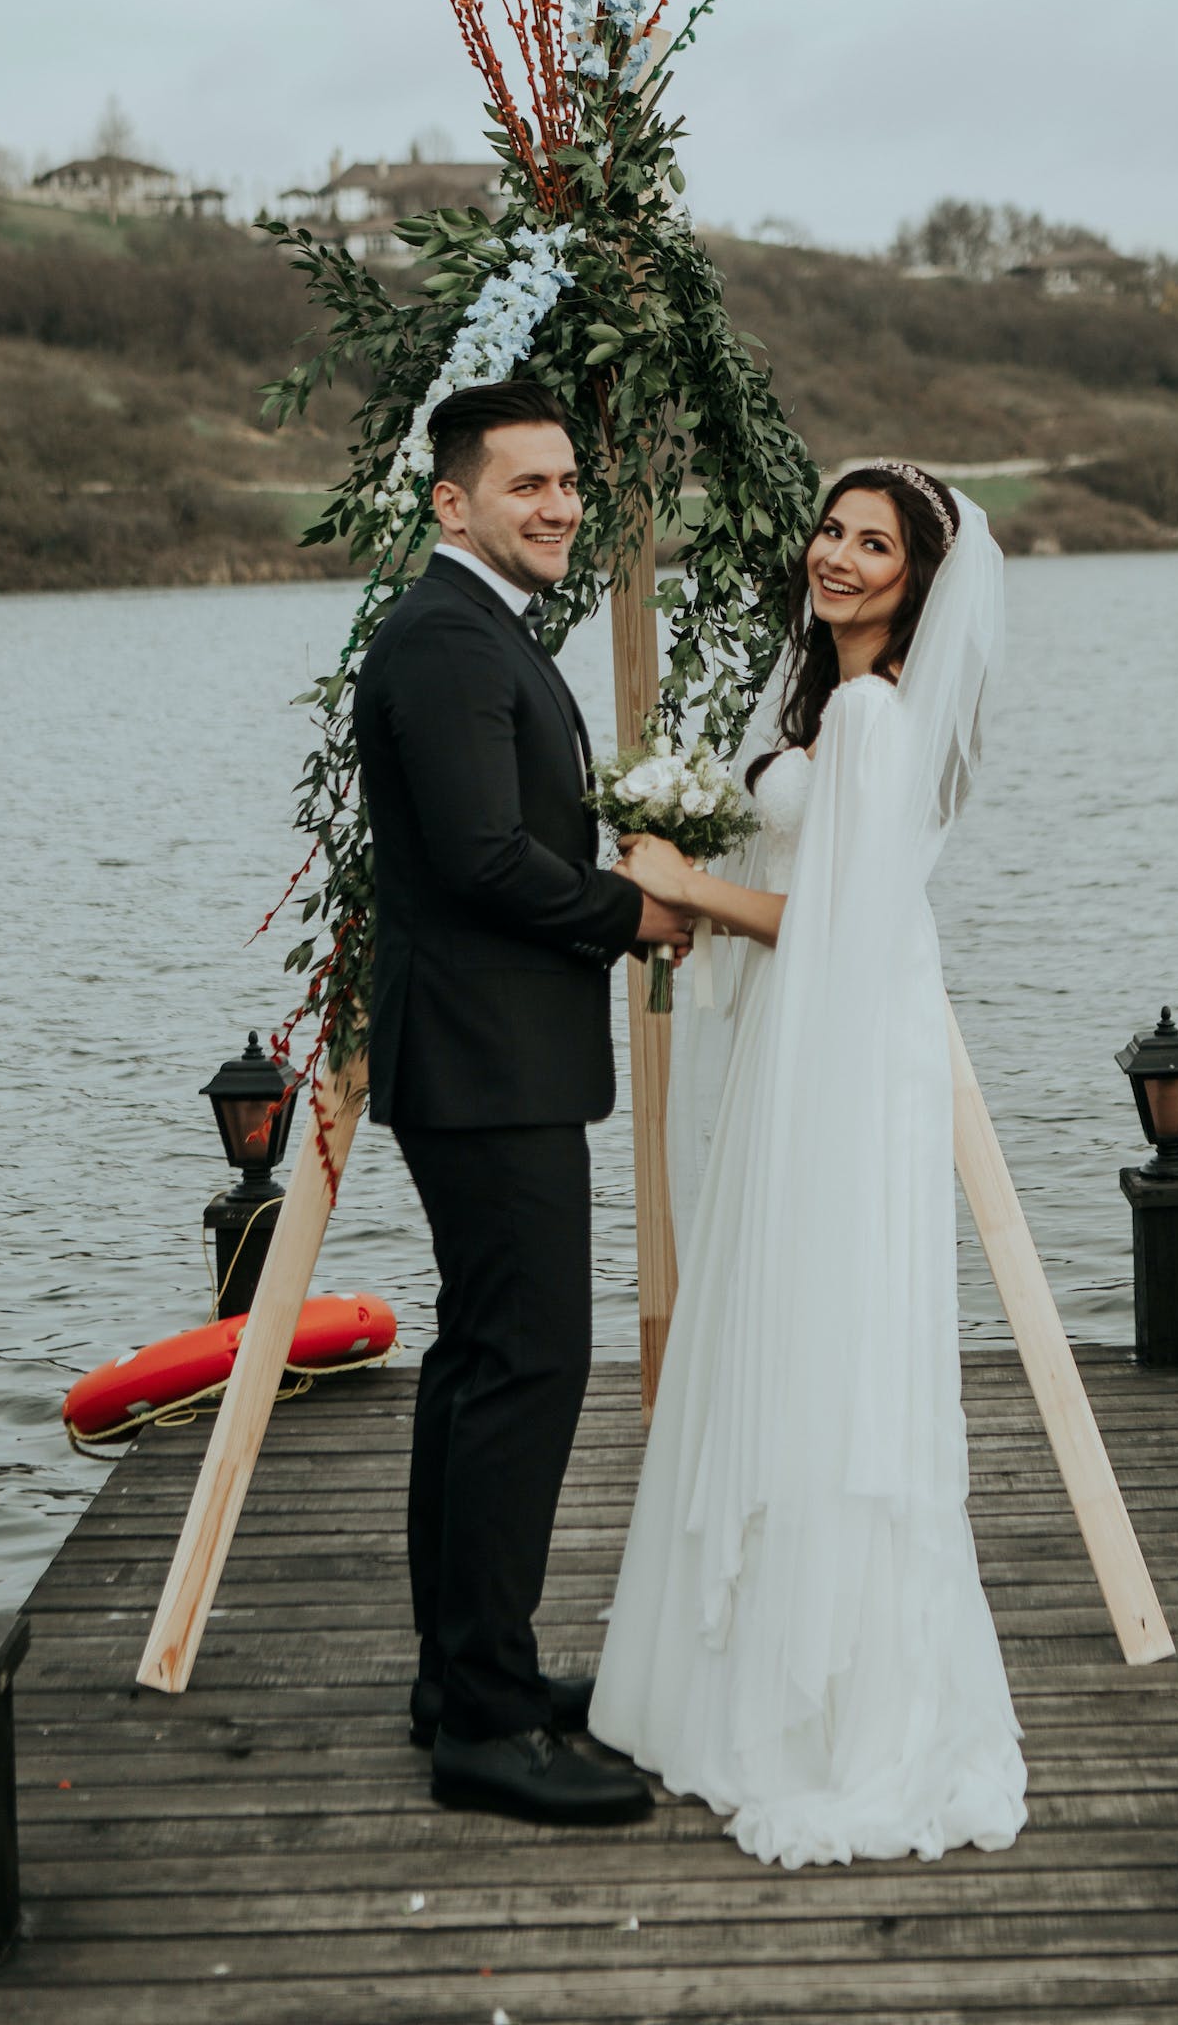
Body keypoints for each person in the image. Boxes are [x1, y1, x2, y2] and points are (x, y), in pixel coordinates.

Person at [589, 463, 1029, 1866]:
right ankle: (749, 1667)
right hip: (817, 1042)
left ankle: (831, 1704)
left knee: (825, 1335)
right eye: (830, 532)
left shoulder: (875, 714)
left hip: (840, 1057)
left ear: (918, 581)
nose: (837, 557)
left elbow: (830, 918)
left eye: (873, 544)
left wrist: (673, 880)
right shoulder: (832, 707)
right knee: (791, 1327)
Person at [353, 377, 694, 1828]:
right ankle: (485, 1724)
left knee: (479, 1361)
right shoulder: (444, 639)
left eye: (567, 482)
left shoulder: (485, 629)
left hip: (496, 1060)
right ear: (453, 502)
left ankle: (462, 1675)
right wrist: (638, 911)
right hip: (482, 1067)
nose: (557, 505)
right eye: (526, 486)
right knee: (530, 1367)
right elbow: (485, 860)